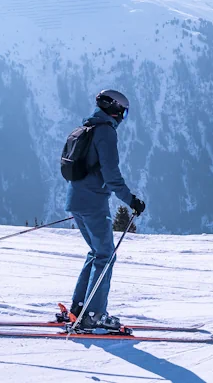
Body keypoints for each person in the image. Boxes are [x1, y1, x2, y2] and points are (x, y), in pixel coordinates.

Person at [65, 89, 146, 331]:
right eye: (124, 111)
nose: (124, 117)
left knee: (97, 253)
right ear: (117, 109)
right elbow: (112, 176)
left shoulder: (87, 128)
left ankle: (79, 308)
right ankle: (93, 315)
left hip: (76, 201)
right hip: (93, 204)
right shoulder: (105, 133)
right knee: (105, 256)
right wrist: (131, 200)